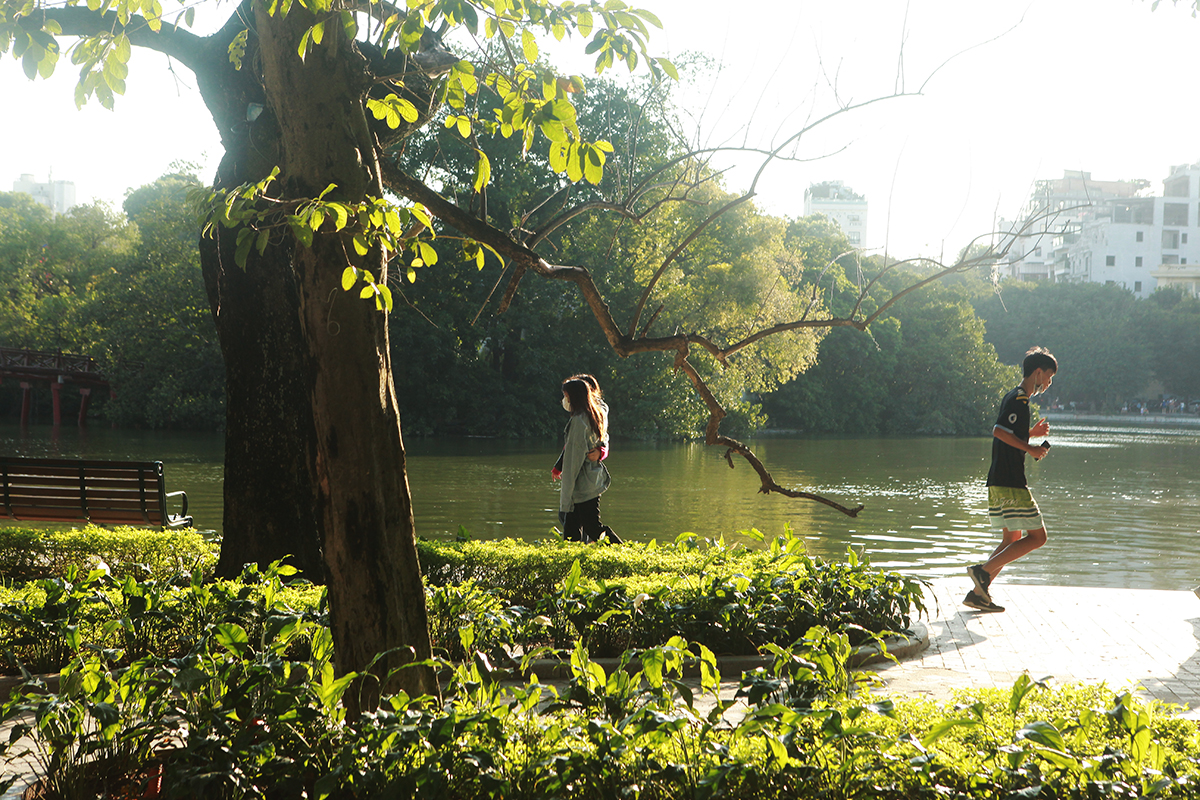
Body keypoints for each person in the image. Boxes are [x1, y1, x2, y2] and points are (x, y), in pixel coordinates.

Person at [965, 346, 1058, 613]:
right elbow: (998, 431)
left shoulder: (1014, 396)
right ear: (1038, 373)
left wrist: (1031, 434)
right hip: (1010, 480)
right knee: (1038, 537)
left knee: (1011, 539)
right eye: (1048, 377)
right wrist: (1031, 449)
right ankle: (982, 571)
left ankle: (977, 595)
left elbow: (1010, 432)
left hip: (999, 478)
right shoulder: (1020, 399)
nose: (1048, 384)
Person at [556, 377, 620, 543]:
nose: (564, 400)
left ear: (574, 397)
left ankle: (623, 553)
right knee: (577, 529)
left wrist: (565, 500)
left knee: (591, 529)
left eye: (566, 396)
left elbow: (572, 463)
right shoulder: (594, 415)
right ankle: (574, 563)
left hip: (581, 486)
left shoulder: (578, 422)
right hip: (592, 480)